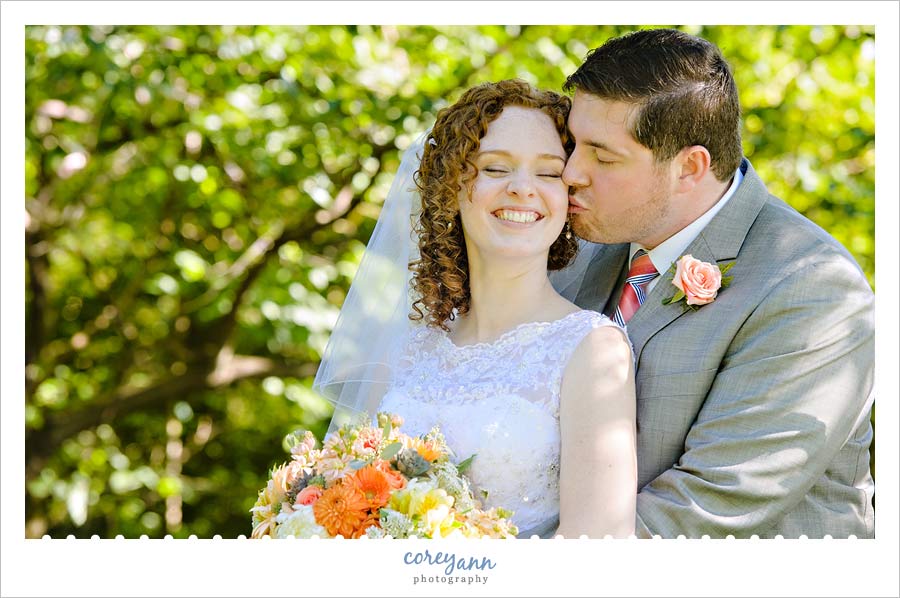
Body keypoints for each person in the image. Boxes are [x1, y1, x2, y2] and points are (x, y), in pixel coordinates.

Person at [554, 28, 875, 538]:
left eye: (604, 156)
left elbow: (711, 503)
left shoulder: (815, 290)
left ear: (690, 167)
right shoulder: (579, 243)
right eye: (573, 144)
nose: (570, 172)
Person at [314, 79, 637, 539]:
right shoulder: (410, 345)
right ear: (452, 188)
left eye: (548, 173)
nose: (523, 189)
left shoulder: (592, 349)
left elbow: (598, 547)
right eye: (495, 168)